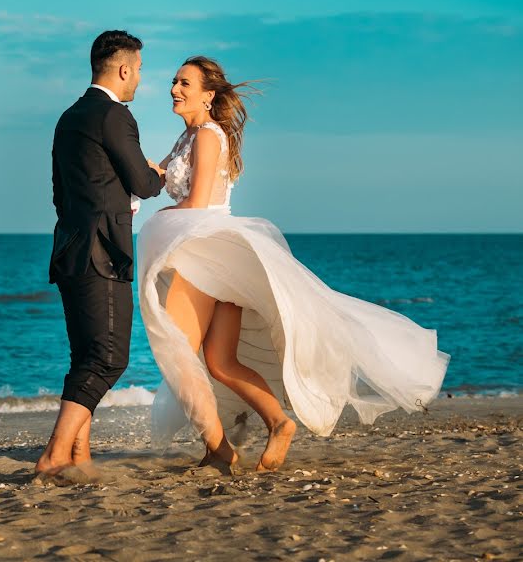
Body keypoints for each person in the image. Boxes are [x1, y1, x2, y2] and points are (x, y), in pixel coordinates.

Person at [138, 56, 449, 473]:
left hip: (207, 251)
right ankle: (279, 423)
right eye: (174, 82)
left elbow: (196, 204)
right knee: (220, 361)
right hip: (214, 254)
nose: (174, 89)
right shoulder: (186, 137)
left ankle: (220, 449)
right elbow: (161, 178)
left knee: (175, 348)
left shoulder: (208, 137)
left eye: (184, 83)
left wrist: (156, 221)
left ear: (209, 95)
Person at [36, 30, 165, 478]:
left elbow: (59, 193)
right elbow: (144, 185)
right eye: (140, 71)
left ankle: (78, 455)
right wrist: (157, 173)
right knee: (109, 357)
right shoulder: (114, 116)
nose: (140, 80)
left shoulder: (68, 117)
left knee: (85, 355)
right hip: (102, 251)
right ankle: (55, 453)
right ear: (124, 68)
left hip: (69, 247)